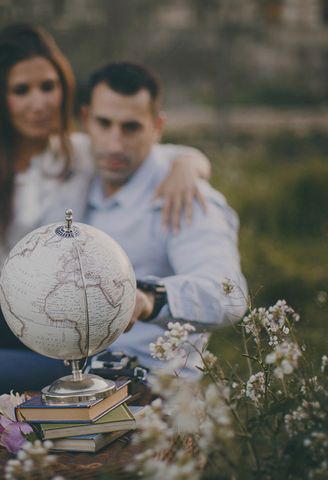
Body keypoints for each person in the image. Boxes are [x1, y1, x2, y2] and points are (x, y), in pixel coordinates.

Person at [0, 24, 210, 475]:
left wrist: (190, 164)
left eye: (48, 86)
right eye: (21, 89)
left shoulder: (82, 155)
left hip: (50, 326)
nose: (38, 102)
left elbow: (158, 150)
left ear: (65, 89)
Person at [80, 62, 248, 375]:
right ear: (85, 119)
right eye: (104, 124)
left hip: (145, 385)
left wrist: (148, 299)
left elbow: (227, 293)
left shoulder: (184, 196)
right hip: (68, 364)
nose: (115, 144)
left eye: (131, 127)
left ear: (156, 127)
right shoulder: (76, 174)